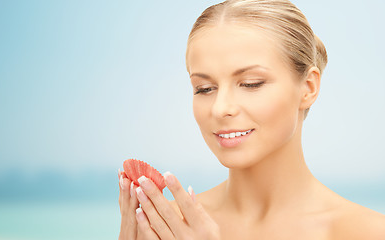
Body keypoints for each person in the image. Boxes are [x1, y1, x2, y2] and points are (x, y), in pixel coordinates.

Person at [118, 0, 385, 239]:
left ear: (308, 87)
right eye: (204, 89)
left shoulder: (369, 232)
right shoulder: (165, 227)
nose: (220, 108)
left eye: (250, 84)